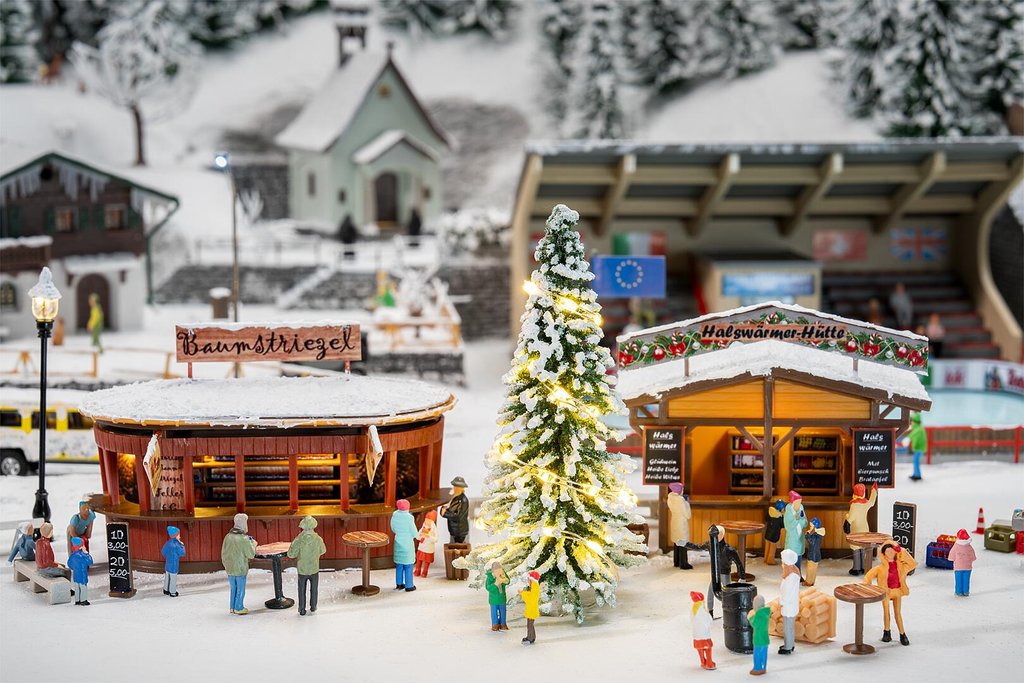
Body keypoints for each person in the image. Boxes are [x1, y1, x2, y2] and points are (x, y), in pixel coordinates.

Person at [863, 542, 917, 645]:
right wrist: (868, 588)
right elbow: (868, 576)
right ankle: (887, 632)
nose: (891, 553)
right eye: (888, 551)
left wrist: (901, 550)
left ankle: (902, 634)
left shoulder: (901, 566)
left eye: (892, 551)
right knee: (886, 612)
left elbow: (913, 563)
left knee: (898, 613)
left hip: (897, 591)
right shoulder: (880, 568)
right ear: (883, 554)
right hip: (886, 593)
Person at [687, 525, 743, 619]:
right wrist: (685, 544)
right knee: (711, 592)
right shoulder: (710, 545)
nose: (716, 536)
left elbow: (739, 563)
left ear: (723, 534)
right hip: (715, 574)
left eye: (718, 534)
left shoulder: (729, 549)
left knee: (728, 594)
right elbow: (698, 546)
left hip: (725, 574)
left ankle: (730, 613)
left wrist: (742, 577)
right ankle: (710, 613)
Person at [288, 515, 327, 615]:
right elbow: (323, 550)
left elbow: (291, 554)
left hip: (302, 569)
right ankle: (313, 607)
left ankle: (301, 609)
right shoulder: (318, 539)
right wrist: (315, 553)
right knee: (314, 589)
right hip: (314, 567)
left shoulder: (298, 540)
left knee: (301, 590)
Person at [221, 513, 257, 615]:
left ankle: (232, 607)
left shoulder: (228, 537)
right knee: (240, 588)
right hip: (240, 568)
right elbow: (250, 554)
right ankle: (239, 607)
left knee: (233, 588)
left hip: (230, 567)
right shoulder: (244, 539)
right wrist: (253, 543)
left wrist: (226, 564)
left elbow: (223, 552)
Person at [844, 482, 878, 575]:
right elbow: (872, 502)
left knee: (855, 548)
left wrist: (847, 523)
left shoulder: (854, 505)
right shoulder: (866, 503)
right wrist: (874, 491)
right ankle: (863, 567)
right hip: (864, 527)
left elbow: (851, 517)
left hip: (856, 528)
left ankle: (856, 568)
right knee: (863, 547)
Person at [391, 499, 419, 592]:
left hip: (398, 541)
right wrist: (417, 536)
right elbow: (413, 530)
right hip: (407, 543)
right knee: (408, 565)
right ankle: (409, 585)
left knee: (399, 564)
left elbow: (393, 528)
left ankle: (399, 584)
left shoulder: (394, 515)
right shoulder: (409, 517)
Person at [778, 549, 801, 655]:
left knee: (788, 627)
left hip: (788, 605)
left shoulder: (791, 577)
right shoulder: (793, 573)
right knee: (789, 626)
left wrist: (782, 601)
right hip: (791, 604)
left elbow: (787, 592)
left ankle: (788, 646)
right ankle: (790, 644)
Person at [667, 482, 692, 570]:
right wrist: (687, 503)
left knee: (676, 542)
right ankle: (683, 563)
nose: (683, 491)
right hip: (681, 523)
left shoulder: (670, 498)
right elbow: (687, 515)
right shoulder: (680, 501)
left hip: (674, 521)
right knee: (682, 542)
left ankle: (676, 561)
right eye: (682, 489)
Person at [690, 591, 716, 671]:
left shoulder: (693, 609)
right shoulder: (702, 609)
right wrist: (708, 614)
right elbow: (709, 620)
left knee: (700, 647)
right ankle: (709, 662)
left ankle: (702, 661)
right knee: (707, 647)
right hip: (704, 633)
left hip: (697, 633)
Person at [783, 491, 807, 574]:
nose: (799, 504)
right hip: (792, 539)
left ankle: (798, 574)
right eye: (797, 502)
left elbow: (805, 523)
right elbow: (788, 528)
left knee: (799, 556)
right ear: (792, 502)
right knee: (792, 557)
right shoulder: (788, 513)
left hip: (800, 537)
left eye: (800, 502)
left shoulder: (801, 508)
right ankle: (791, 574)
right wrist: (796, 519)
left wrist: (803, 519)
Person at [747, 594, 771, 675]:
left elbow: (755, 624)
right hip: (765, 638)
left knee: (757, 654)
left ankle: (757, 668)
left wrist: (750, 618)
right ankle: (763, 667)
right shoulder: (766, 613)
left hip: (758, 638)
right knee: (764, 654)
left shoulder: (758, 614)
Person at [947, 528, 977, 596]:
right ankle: (966, 591)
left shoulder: (955, 547)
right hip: (968, 567)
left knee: (958, 580)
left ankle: (958, 591)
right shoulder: (969, 547)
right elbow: (973, 557)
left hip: (958, 567)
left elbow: (951, 557)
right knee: (966, 580)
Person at [442, 476, 469, 544]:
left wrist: (445, 513)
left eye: (457, 487)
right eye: (454, 486)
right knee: (454, 544)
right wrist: (445, 509)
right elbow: (452, 509)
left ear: (462, 488)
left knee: (458, 546)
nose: (455, 488)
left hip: (459, 530)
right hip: (454, 529)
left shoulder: (463, 500)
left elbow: (458, 516)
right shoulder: (455, 497)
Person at [68, 537, 93, 606]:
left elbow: (69, 564)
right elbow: (90, 562)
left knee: (77, 587)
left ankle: (77, 600)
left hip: (76, 575)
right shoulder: (83, 555)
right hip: (82, 575)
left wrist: (75, 568)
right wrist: (86, 553)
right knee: (83, 588)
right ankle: (83, 600)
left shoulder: (72, 555)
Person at [161, 526, 186, 597]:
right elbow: (183, 553)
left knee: (167, 578)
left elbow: (163, 552)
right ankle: (172, 592)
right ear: (176, 535)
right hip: (174, 565)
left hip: (168, 564)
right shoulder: (177, 544)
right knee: (173, 579)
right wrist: (182, 545)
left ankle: (166, 590)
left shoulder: (167, 543)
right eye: (179, 534)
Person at [414, 510, 439, 577]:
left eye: (428, 521)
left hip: (428, 548)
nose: (426, 522)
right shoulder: (423, 527)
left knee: (427, 561)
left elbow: (436, 539)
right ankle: (417, 570)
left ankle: (425, 572)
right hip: (422, 547)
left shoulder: (434, 529)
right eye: (426, 520)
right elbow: (418, 537)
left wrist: (429, 536)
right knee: (419, 559)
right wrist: (420, 535)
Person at [485, 562, 509, 631]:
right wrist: (495, 584)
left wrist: (504, 580)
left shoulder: (502, 573)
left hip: (502, 598)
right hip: (494, 599)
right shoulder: (490, 577)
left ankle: (503, 623)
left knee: (503, 611)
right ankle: (495, 623)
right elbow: (488, 587)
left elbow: (508, 581)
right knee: (494, 612)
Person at [519, 570, 541, 645]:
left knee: (530, 625)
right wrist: (523, 592)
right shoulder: (534, 587)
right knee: (531, 624)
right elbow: (530, 594)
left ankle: (530, 638)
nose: (528, 580)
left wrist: (522, 594)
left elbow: (530, 600)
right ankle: (532, 637)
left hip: (532, 609)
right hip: (532, 609)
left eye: (529, 579)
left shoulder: (535, 588)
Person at [803, 518, 825, 586]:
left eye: (811, 526)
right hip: (816, 554)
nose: (810, 528)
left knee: (810, 569)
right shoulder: (818, 534)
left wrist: (807, 534)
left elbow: (811, 542)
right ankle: (812, 581)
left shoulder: (815, 535)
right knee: (813, 569)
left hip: (813, 554)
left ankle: (809, 581)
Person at [763, 500, 786, 565]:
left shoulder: (770, 512)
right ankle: (770, 560)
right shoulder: (779, 517)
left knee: (767, 546)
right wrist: (783, 516)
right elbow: (783, 525)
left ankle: (766, 558)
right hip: (774, 535)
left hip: (768, 533)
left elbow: (766, 519)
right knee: (772, 548)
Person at [908, 412, 928, 481]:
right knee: (915, 461)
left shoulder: (918, 430)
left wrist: (914, 445)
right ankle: (916, 474)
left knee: (916, 461)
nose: (911, 423)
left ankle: (917, 475)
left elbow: (914, 436)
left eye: (912, 421)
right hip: (920, 448)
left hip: (919, 448)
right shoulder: (919, 429)